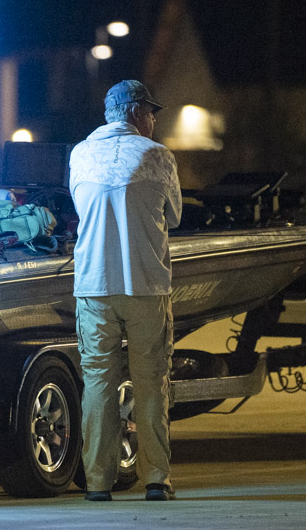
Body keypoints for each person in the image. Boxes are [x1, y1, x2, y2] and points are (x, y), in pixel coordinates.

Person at [68, 79, 182, 502]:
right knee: (151, 382)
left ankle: (98, 482)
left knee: (99, 383)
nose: (153, 121)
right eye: (151, 113)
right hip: (146, 287)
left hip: (94, 287)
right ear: (135, 112)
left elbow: (82, 207)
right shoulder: (158, 156)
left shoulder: (80, 153)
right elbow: (174, 216)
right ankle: (156, 480)